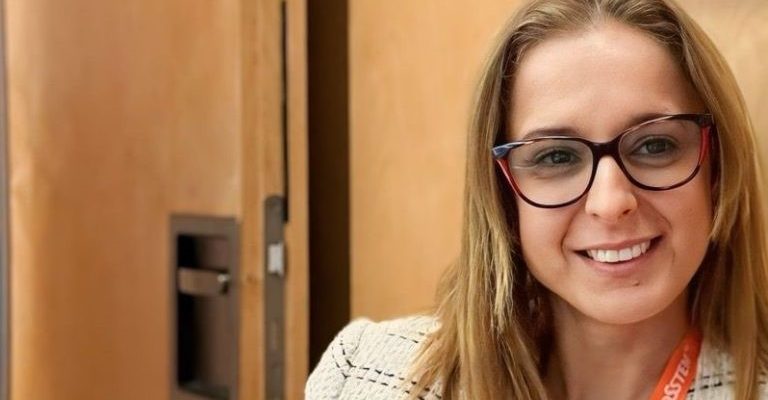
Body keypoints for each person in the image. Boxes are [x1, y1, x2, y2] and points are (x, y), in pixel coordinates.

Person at [306, 0, 768, 398]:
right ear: (503, 193)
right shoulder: (365, 375)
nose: (610, 202)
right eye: (556, 156)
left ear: (717, 169)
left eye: (654, 145)